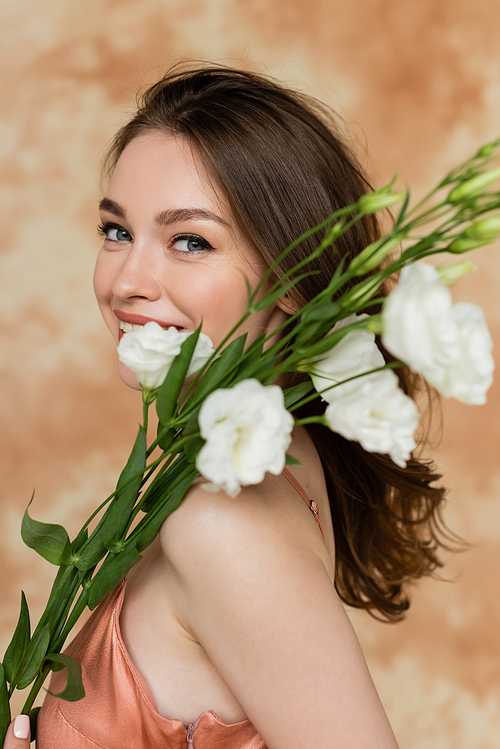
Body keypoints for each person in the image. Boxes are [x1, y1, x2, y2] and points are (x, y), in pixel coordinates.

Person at [5, 64, 448, 748]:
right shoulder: (263, 452)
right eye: (117, 231)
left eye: (191, 241)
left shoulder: (221, 521)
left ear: (296, 283)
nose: (126, 281)